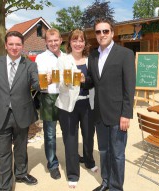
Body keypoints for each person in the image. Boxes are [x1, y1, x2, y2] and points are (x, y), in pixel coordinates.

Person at [0, 31, 40, 190]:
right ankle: (5, 186)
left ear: (22, 46)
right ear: (6, 45)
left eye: (18, 44)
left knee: (21, 148)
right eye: (11, 44)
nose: (14, 47)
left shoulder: (30, 65)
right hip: (0, 115)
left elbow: (37, 84)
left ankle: (21, 174)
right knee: (2, 153)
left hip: (22, 114)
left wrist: (49, 82)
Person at [83, 18, 136, 191]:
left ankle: (116, 187)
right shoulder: (92, 55)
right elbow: (93, 82)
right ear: (95, 35)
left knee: (118, 155)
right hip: (99, 114)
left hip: (118, 114)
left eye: (106, 31)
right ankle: (106, 182)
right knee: (104, 152)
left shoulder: (125, 54)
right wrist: (84, 80)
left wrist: (126, 114)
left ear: (112, 33)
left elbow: (129, 87)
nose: (102, 34)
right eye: (98, 32)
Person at [55, 29, 97, 189]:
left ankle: (89, 161)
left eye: (81, 40)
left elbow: (94, 81)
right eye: (75, 40)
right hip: (68, 106)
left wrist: (84, 79)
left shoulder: (90, 59)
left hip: (87, 104)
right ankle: (73, 174)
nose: (78, 43)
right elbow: (59, 82)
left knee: (88, 137)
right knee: (71, 140)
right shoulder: (63, 60)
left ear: (85, 43)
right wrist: (65, 83)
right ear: (69, 42)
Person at [35, 28, 64, 180]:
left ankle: (71, 158)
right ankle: (52, 163)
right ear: (46, 42)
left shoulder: (67, 57)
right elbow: (43, 82)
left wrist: (53, 75)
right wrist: (59, 75)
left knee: (69, 131)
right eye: (50, 41)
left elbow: (72, 79)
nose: (53, 43)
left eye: (56, 40)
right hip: (48, 98)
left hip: (65, 97)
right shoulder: (41, 57)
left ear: (61, 40)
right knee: (51, 134)